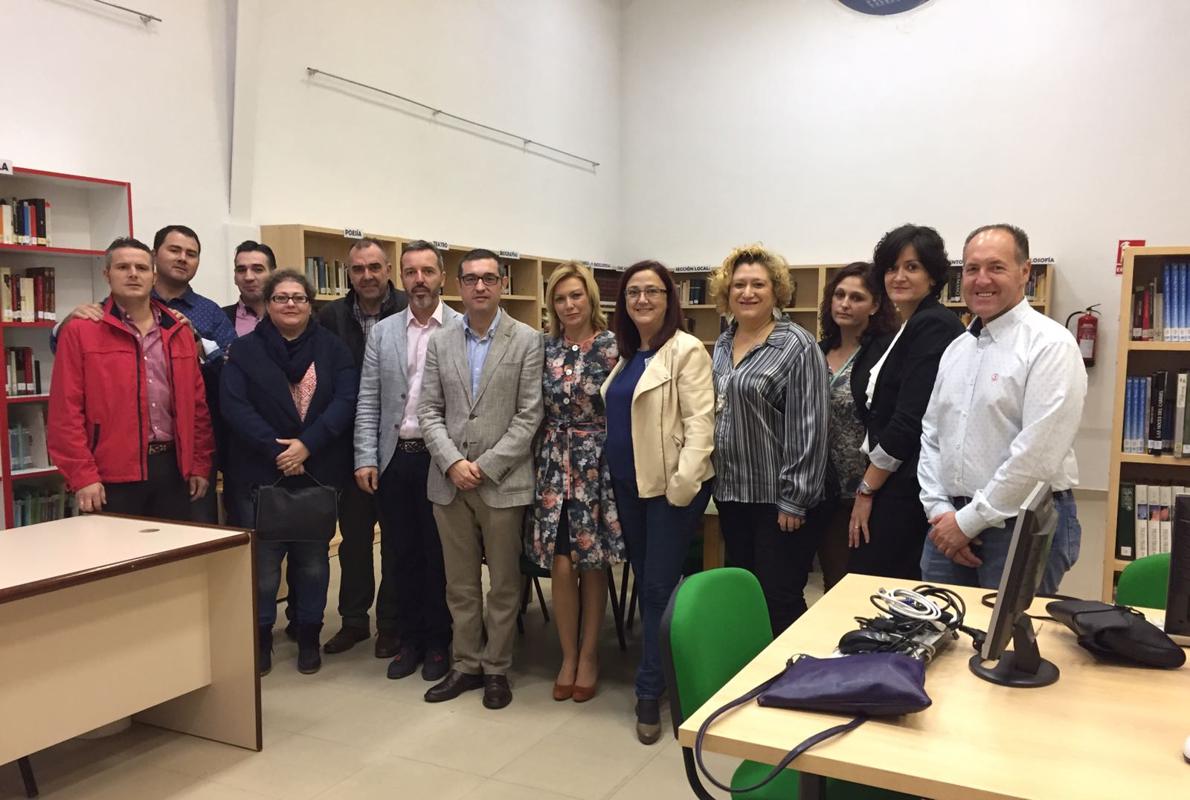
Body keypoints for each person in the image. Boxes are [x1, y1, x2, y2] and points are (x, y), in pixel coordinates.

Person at [919, 225, 1086, 595]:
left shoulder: (1050, 345)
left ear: (1025, 272)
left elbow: (1037, 456)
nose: (981, 280)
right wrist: (940, 511)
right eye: (971, 268)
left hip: (1020, 523)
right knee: (943, 639)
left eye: (996, 267)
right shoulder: (956, 350)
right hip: (947, 523)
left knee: (1007, 646)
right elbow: (932, 435)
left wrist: (967, 522)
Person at [418, 248, 543, 710]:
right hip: (448, 482)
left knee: (505, 585)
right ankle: (466, 664)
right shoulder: (441, 341)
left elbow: (529, 416)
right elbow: (428, 409)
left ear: (503, 284)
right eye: (471, 279)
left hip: (502, 483)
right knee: (461, 584)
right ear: (459, 285)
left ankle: (497, 668)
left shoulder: (528, 340)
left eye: (489, 278)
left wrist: (486, 466)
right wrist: (451, 461)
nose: (480, 287)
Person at [221, 270, 357, 676]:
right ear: (267, 303)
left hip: (317, 473)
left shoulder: (333, 349)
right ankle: (261, 638)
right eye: (281, 298)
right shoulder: (244, 351)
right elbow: (234, 406)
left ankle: (310, 636)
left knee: (313, 562)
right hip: (260, 476)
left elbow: (346, 400)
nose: (290, 304)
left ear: (310, 303)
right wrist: (277, 450)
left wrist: (307, 445)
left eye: (299, 297)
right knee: (263, 568)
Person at [54, 224, 237, 524]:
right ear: (107, 274)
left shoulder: (177, 330)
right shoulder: (81, 330)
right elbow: (66, 412)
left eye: (141, 268)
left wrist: (200, 464)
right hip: (110, 472)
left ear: (152, 275)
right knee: (118, 563)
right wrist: (81, 475)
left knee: (172, 563)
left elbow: (197, 407)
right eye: (123, 267)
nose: (133, 274)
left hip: (174, 468)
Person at [602, 260, 714, 745]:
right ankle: (666, 670)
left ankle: (651, 690)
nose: (642, 300)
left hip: (669, 491)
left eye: (652, 291)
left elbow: (700, 426)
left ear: (670, 298)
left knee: (655, 586)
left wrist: (681, 488)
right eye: (633, 293)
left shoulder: (686, 351)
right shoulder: (629, 354)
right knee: (649, 582)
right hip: (630, 487)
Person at [354, 240, 460, 683]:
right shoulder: (383, 331)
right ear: (402, 275)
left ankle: (439, 642)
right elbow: (368, 398)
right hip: (395, 457)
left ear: (441, 276)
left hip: (442, 460)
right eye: (411, 272)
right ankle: (410, 640)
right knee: (401, 556)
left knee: (439, 558)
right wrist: (365, 456)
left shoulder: (460, 327)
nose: (420, 280)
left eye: (428, 272)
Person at [709, 245, 829, 636]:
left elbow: (809, 425)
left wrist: (794, 497)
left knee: (779, 595)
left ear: (776, 291)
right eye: (738, 285)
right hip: (732, 493)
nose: (747, 293)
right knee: (744, 594)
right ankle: (751, 677)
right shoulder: (723, 344)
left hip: (778, 500)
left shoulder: (797, 345)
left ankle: (791, 678)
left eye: (758, 284)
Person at [527, 262, 624, 703]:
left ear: (590, 298)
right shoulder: (544, 349)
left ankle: (589, 655)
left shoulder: (613, 347)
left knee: (593, 562)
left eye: (576, 296)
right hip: (552, 463)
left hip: (596, 465)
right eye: (560, 298)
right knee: (562, 564)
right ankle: (567, 654)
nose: (569, 305)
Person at [849, 224, 965, 580]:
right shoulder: (907, 324)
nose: (899, 276)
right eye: (891, 267)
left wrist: (867, 488)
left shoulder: (934, 325)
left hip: (906, 486)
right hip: (896, 480)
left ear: (933, 277)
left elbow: (908, 419)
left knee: (878, 585)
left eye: (912, 267)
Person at [316, 237, 408, 658]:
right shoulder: (329, 316)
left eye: (375, 267)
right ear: (348, 274)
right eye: (358, 269)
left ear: (388, 269)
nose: (367, 276)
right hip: (345, 448)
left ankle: (391, 622)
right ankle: (354, 620)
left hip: (397, 444)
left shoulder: (410, 309)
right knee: (353, 539)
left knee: (395, 539)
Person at [816, 262, 896, 591]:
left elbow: (892, 424)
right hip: (821, 492)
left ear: (875, 305)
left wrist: (869, 488)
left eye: (857, 297)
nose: (845, 303)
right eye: (839, 295)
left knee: (863, 587)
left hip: (867, 491)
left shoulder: (883, 356)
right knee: (832, 581)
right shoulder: (816, 352)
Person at [223, 240, 277, 334]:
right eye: (241, 270)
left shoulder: (291, 315)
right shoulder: (219, 318)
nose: (249, 277)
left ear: (274, 275)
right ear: (235, 277)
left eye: (258, 270)